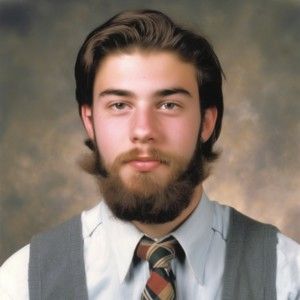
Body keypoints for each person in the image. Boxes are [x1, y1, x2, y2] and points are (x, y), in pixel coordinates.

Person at [0, 9, 299, 300]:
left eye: (168, 105)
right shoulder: (21, 285)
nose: (143, 130)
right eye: (119, 105)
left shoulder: (288, 277)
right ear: (90, 122)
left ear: (206, 123)